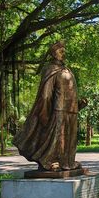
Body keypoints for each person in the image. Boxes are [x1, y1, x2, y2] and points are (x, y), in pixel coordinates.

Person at [13, 41, 86, 171]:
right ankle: (48, 161)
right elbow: (46, 94)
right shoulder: (50, 69)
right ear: (53, 53)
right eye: (61, 51)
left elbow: (69, 91)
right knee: (57, 138)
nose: (64, 53)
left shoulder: (67, 70)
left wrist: (78, 104)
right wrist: (44, 111)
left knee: (70, 138)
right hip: (59, 110)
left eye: (64, 51)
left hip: (71, 110)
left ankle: (67, 162)